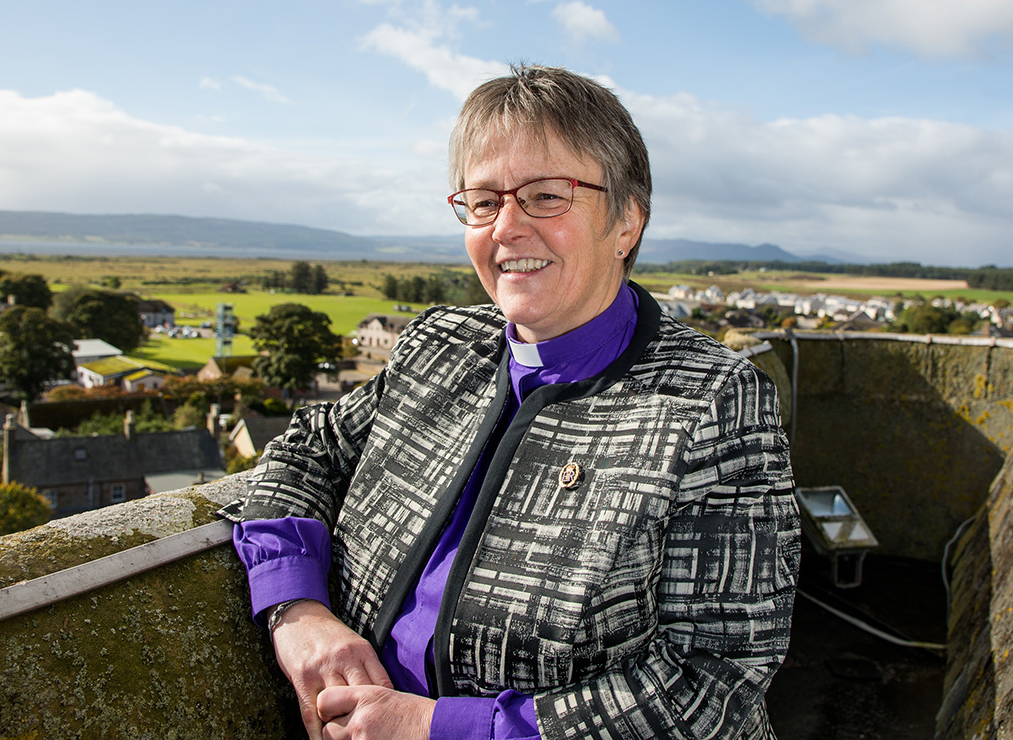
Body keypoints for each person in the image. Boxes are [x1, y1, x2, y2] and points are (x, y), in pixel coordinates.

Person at [219, 64, 799, 740]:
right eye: (484, 200)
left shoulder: (709, 403)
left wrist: (441, 728)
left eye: (547, 196)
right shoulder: (438, 346)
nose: (507, 228)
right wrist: (297, 610)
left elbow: (711, 685)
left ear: (626, 220)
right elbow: (306, 451)